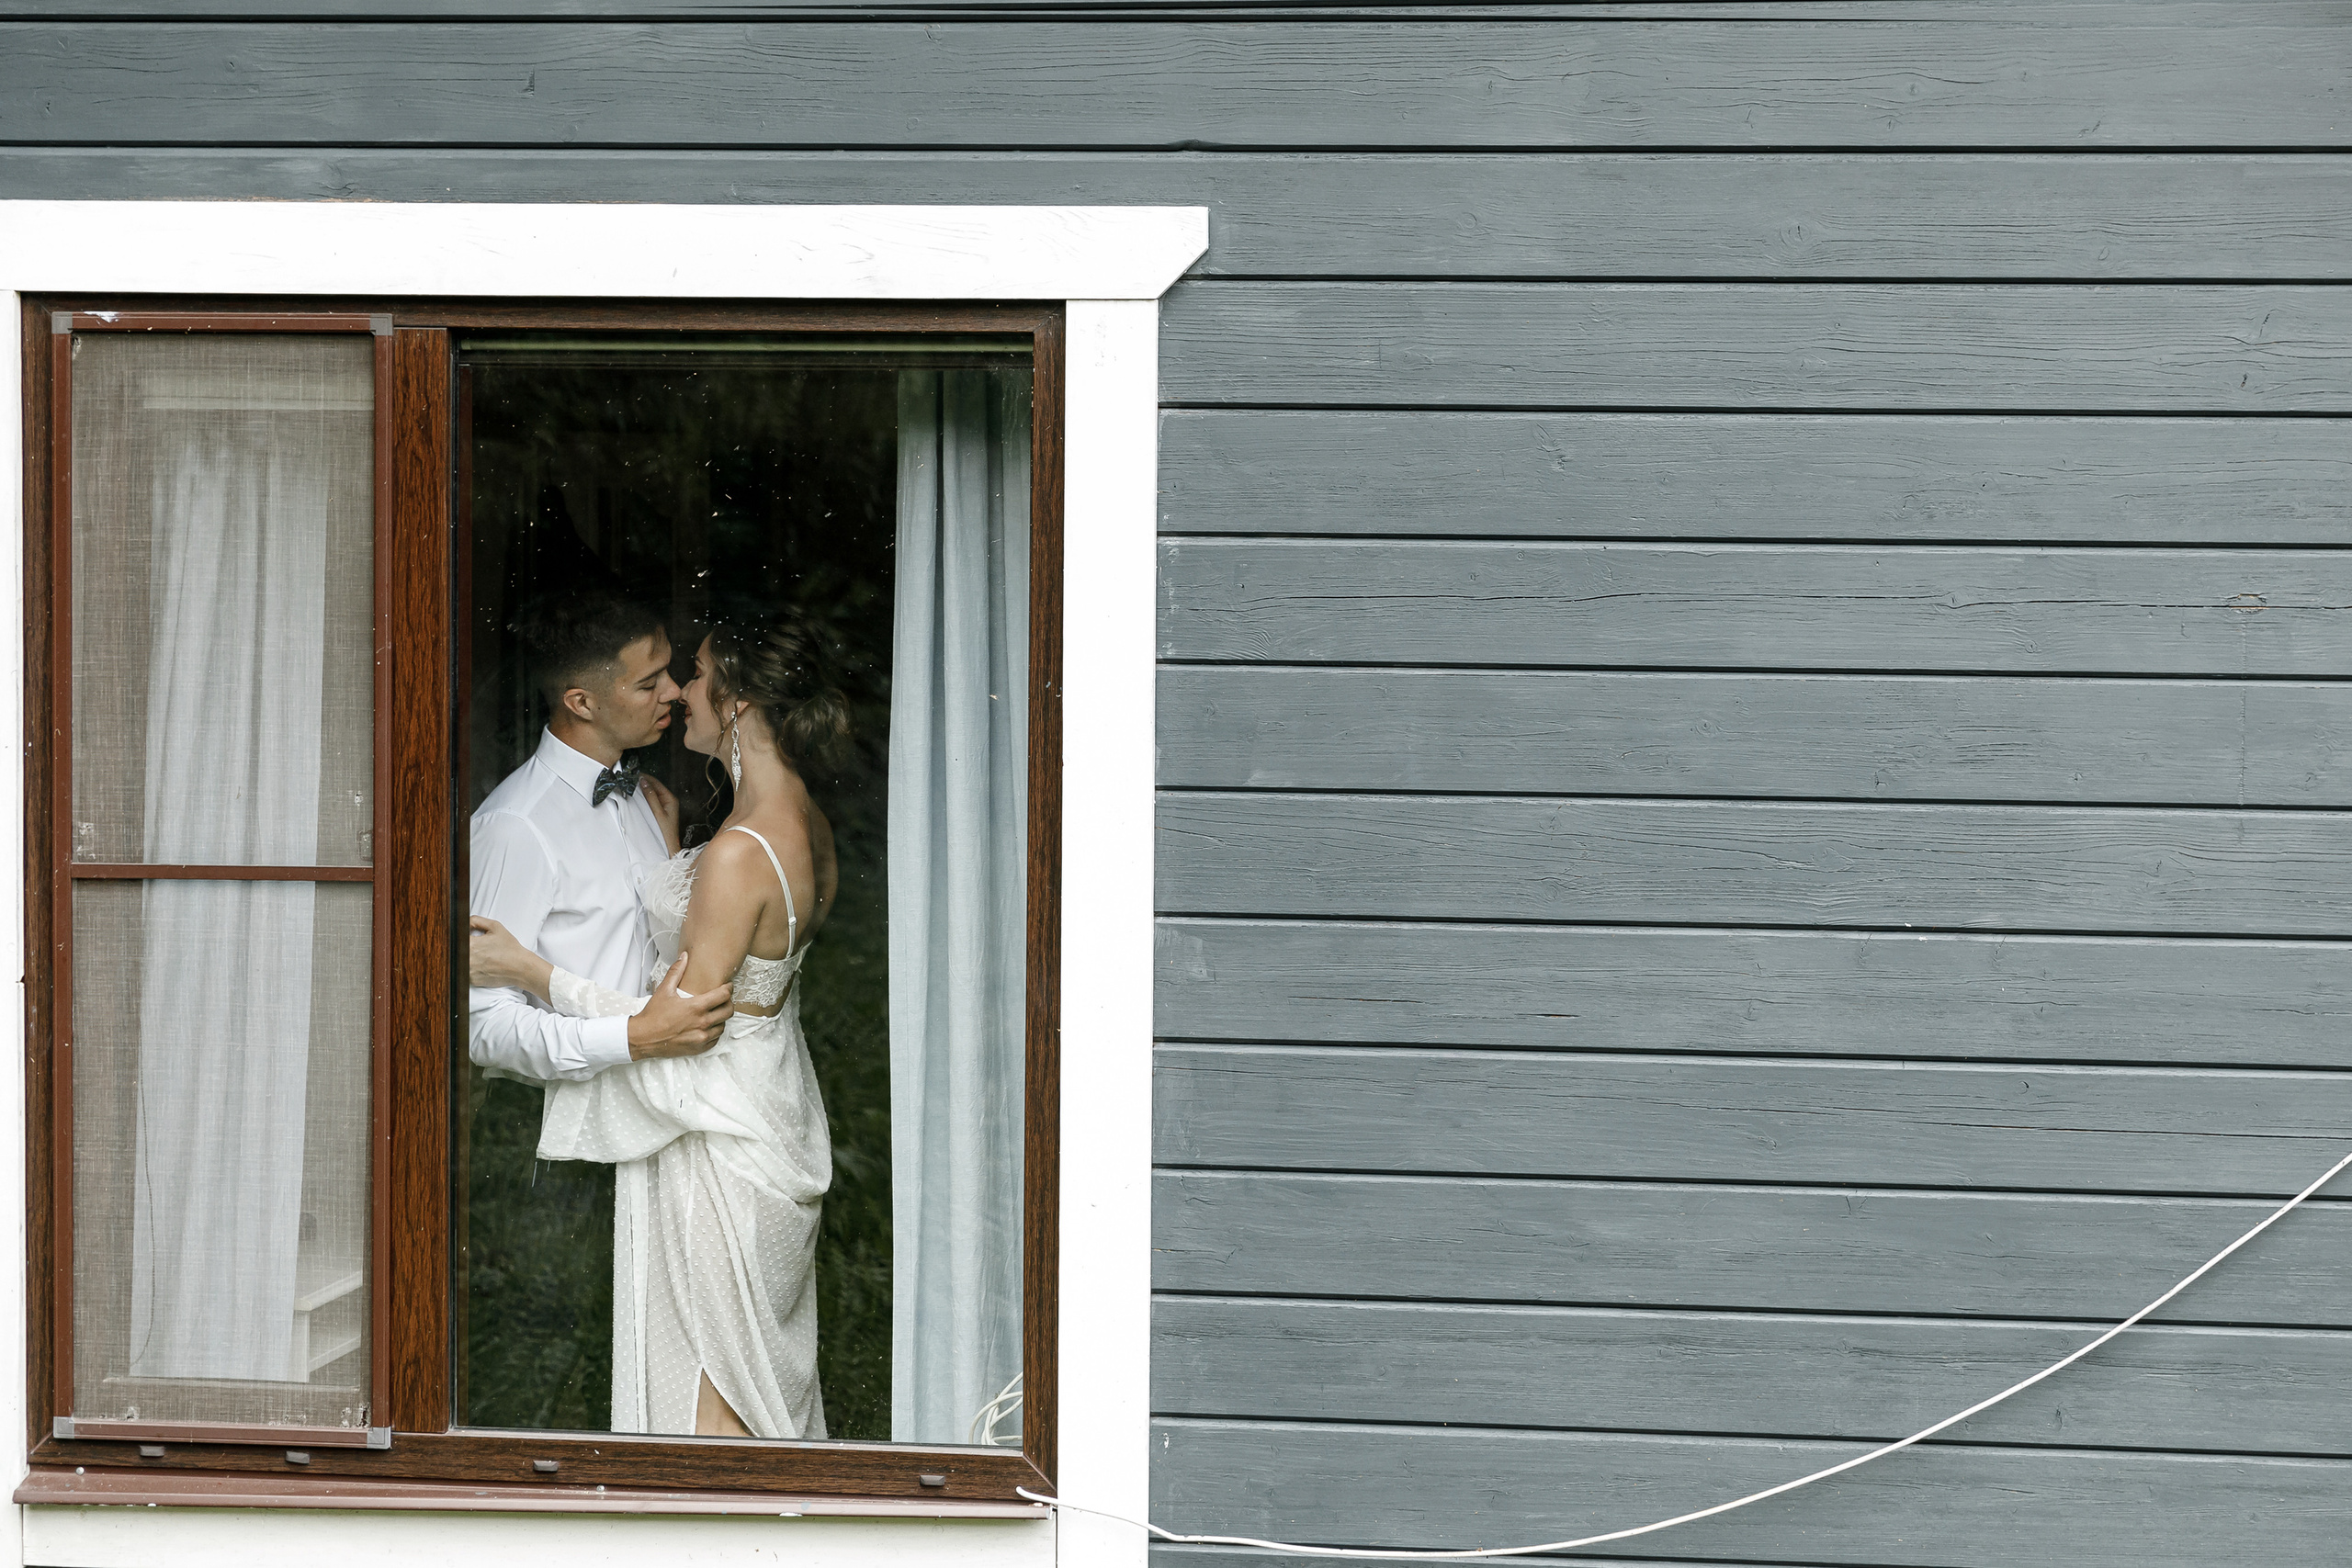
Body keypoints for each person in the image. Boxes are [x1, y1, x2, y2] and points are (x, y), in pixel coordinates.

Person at [470, 612, 847, 1442]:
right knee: (742, 1371)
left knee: (713, 1389)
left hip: (711, 1123)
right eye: (657, 678)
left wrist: (533, 971)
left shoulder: (739, 849)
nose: (680, 692)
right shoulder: (797, 821)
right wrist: (676, 855)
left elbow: (676, 1026)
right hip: (763, 1102)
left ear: (741, 703)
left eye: (696, 674)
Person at [468, 590, 735, 1088]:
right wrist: (633, 1040)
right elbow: (482, 1026)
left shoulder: (646, 800)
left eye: (670, 673)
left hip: (656, 1108)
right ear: (582, 702)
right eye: (648, 683)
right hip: (567, 1129)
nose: (675, 691)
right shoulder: (516, 827)